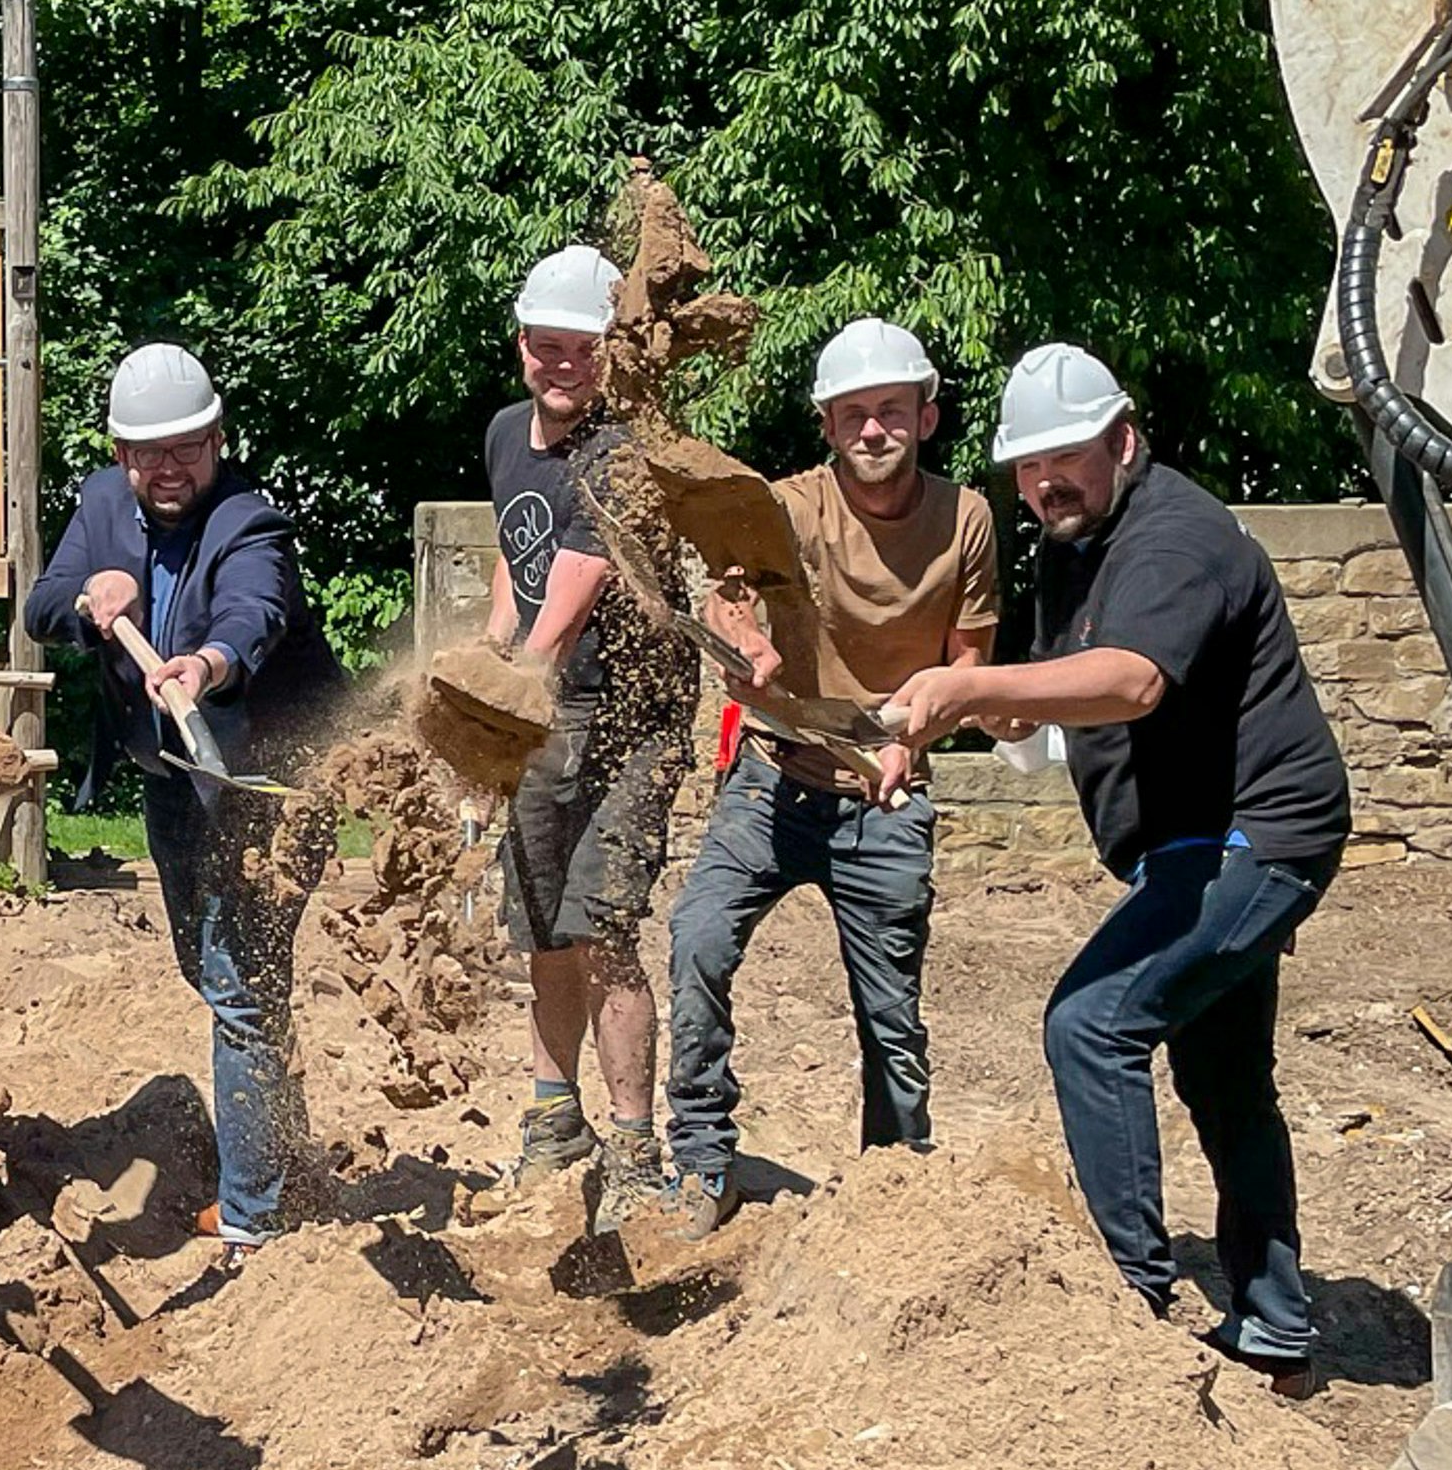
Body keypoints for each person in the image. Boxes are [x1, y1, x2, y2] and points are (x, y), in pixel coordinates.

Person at [888, 343, 1351, 1393]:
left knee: (1091, 1025)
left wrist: (967, 693)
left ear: (1123, 441)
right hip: (1193, 840)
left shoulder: (1174, 536)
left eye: (1067, 458)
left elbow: (1134, 681)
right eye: (1026, 466)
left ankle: (1128, 1300)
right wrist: (985, 708)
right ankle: (1275, 1323)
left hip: (1257, 835)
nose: (1046, 481)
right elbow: (1061, 693)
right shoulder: (1076, 544)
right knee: (1224, 1076)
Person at [659, 318, 998, 1237]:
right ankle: (701, 1164)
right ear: (828, 424)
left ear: (927, 417)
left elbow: (969, 661)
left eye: (892, 411)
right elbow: (728, 594)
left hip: (884, 798)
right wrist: (749, 644)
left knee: (892, 1016)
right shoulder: (788, 506)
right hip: (771, 780)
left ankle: (895, 1195)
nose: (874, 430)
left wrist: (912, 742)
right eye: (854, 414)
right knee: (696, 943)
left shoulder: (965, 518)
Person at [24, 343, 346, 1268]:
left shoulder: (251, 522)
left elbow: (257, 612)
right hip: (171, 779)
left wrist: (204, 664)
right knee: (214, 971)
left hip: (267, 782)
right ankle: (284, 1161)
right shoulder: (98, 505)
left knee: (241, 982)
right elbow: (45, 604)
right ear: (122, 454)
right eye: (148, 453)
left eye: (188, 448)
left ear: (217, 439)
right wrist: (92, 601)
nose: (169, 469)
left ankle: (255, 1212)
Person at [467, 245, 701, 1235]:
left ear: (612, 353)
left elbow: (573, 587)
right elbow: (517, 571)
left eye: (583, 347)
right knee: (541, 928)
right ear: (521, 343)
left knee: (603, 926)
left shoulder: (627, 448)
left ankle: (639, 1150)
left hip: (632, 718)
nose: (562, 362)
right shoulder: (505, 437)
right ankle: (554, 1124)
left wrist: (508, 690)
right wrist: (484, 663)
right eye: (545, 343)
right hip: (545, 707)